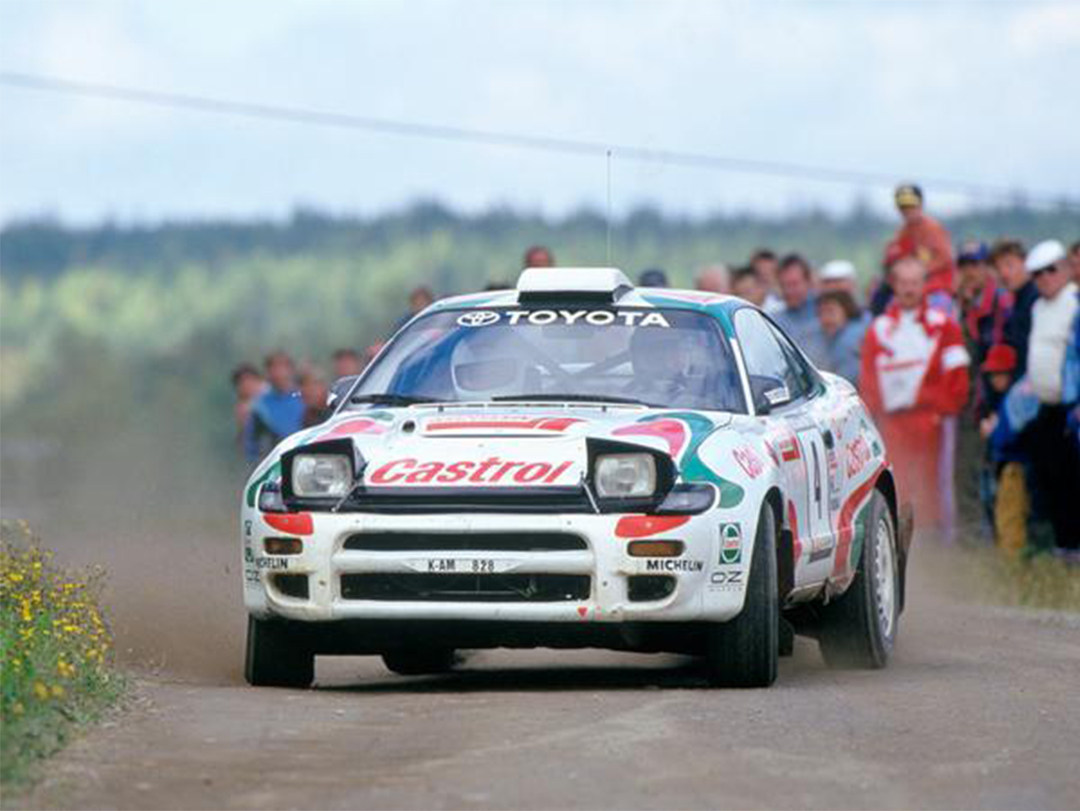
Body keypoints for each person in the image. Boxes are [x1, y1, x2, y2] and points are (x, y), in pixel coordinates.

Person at [859, 257, 970, 535]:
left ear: (925, 285)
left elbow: (957, 377)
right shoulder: (879, 329)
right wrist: (875, 417)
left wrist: (940, 408)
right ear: (894, 285)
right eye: (903, 283)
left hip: (931, 419)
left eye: (915, 282)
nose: (909, 289)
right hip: (892, 422)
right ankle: (900, 537)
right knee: (897, 481)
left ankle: (940, 540)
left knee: (936, 482)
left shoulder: (944, 326)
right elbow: (868, 380)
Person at [1023, 239, 1080, 551]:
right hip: (1044, 404)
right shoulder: (1037, 307)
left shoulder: (1075, 303)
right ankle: (1063, 545)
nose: (1045, 278)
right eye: (1037, 273)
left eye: (1051, 270)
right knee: (1050, 475)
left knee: (1072, 477)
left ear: (1066, 269)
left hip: (1071, 407)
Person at [978, 345, 1028, 557]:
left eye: (1001, 373)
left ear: (1011, 373)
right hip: (998, 461)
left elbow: (1012, 435)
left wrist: (995, 429)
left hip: (1015, 463)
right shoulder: (994, 399)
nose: (995, 379)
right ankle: (998, 543)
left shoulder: (1018, 397)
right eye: (992, 374)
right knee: (993, 500)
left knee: (1012, 508)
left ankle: (1012, 553)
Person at [957, 241, 1013, 417]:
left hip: (1001, 399)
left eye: (974, 265)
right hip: (974, 400)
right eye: (963, 266)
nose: (969, 272)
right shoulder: (963, 306)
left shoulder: (1002, 301)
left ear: (987, 268)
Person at [890, 184, 956, 311]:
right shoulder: (902, 233)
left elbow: (945, 258)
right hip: (913, 288)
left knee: (937, 311)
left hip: (938, 288)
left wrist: (919, 271)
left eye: (911, 206)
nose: (908, 210)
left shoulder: (932, 228)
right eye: (904, 207)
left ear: (920, 206)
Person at [245, 351, 305, 463]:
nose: (278, 373)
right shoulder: (261, 405)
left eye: (282, 367)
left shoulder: (303, 397)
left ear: (291, 370)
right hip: (275, 460)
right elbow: (252, 441)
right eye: (274, 368)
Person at [991, 239, 1037, 376]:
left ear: (1026, 263)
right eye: (998, 268)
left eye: (1009, 265)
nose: (1003, 274)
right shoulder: (1014, 302)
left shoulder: (1036, 299)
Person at [772, 254, 826, 366]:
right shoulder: (775, 320)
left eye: (794, 284)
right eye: (783, 285)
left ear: (808, 282)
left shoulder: (826, 312)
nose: (788, 291)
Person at [816, 291, 865, 385]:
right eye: (820, 313)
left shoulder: (854, 336)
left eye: (830, 311)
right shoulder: (828, 339)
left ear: (846, 310)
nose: (825, 318)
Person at [231, 363, 266, 448]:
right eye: (241, 383)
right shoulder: (242, 409)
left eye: (250, 380)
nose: (246, 386)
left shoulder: (272, 398)